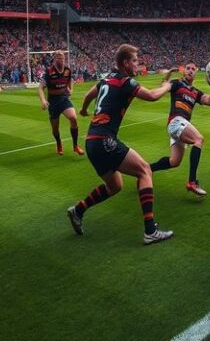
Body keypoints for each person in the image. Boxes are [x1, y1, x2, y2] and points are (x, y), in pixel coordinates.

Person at [67, 44, 174, 245]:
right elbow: (151, 96)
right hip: (105, 140)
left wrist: (83, 110)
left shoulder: (106, 78)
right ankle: (150, 230)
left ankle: (78, 210)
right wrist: (167, 86)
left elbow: (90, 94)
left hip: (92, 142)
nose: (138, 64)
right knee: (144, 171)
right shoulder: (126, 81)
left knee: (115, 185)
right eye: (135, 61)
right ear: (125, 63)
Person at [149, 61, 210, 196]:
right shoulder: (177, 83)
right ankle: (192, 182)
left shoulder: (195, 92)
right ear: (184, 71)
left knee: (174, 162)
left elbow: (208, 101)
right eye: (188, 68)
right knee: (199, 139)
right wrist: (168, 75)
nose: (190, 70)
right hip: (176, 122)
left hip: (181, 126)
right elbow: (164, 86)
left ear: (196, 72)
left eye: (193, 69)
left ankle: (147, 169)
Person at [38, 50, 83, 156]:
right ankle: (58, 143)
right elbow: (40, 88)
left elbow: (70, 80)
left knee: (73, 117)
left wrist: (71, 90)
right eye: (58, 57)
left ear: (64, 58)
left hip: (63, 100)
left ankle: (75, 146)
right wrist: (43, 100)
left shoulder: (68, 70)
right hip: (53, 102)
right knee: (55, 129)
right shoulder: (48, 71)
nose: (60, 58)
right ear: (54, 59)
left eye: (62, 57)